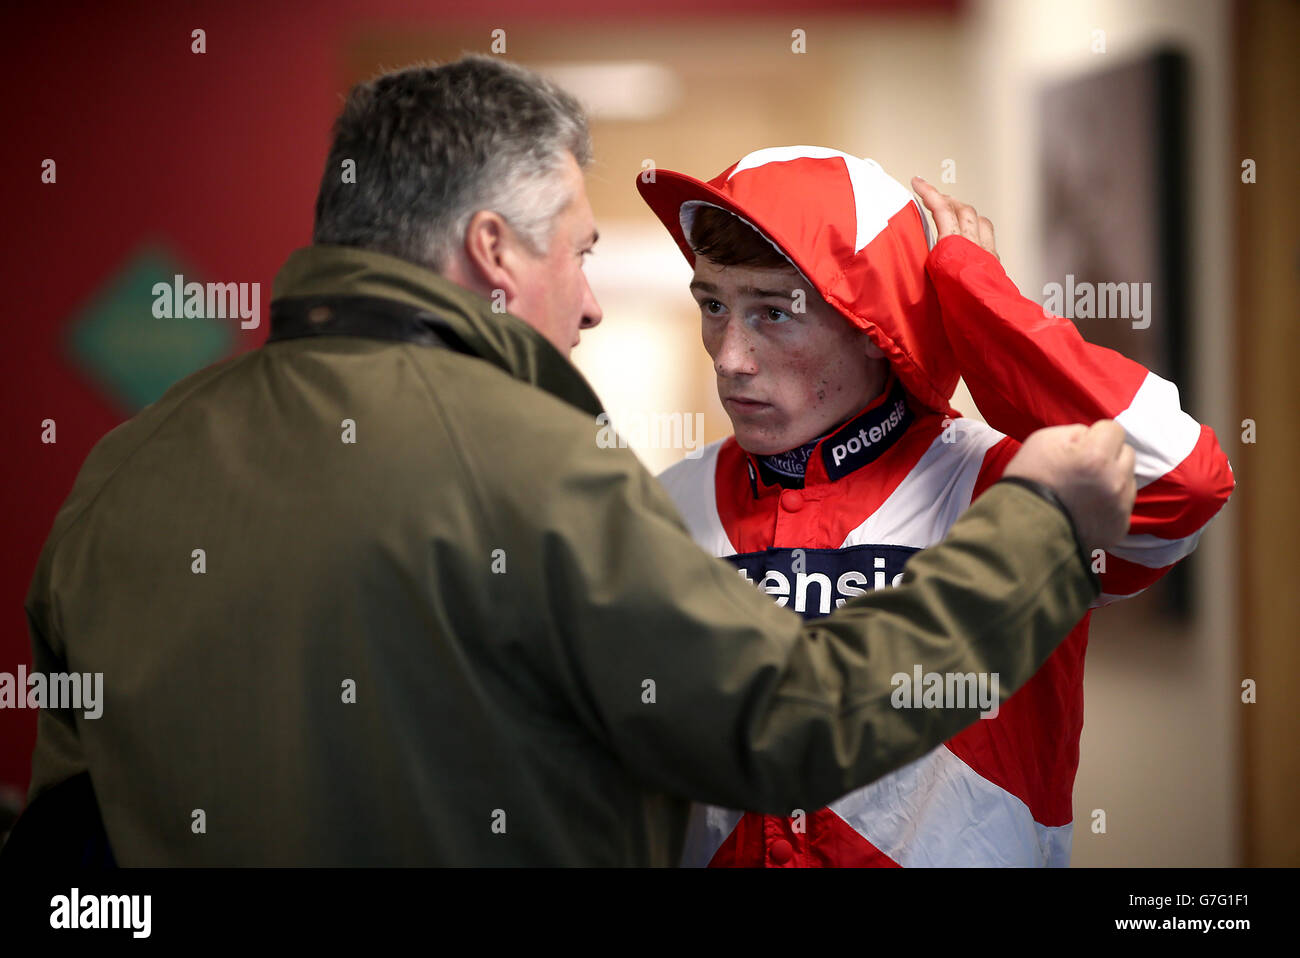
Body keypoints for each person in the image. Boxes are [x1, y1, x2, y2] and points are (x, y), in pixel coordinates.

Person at [13, 62, 1135, 867]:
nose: (593, 302)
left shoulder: (121, 472)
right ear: (493, 251)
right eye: (582, 251)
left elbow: (68, 852)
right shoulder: (535, 463)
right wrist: (1039, 518)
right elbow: (792, 719)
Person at [638, 146, 1234, 867]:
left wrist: (982, 306)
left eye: (772, 313)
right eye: (713, 306)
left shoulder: (1008, 484)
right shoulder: (661, 509)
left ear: (874, 324)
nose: (730, 358)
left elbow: (1186, 484)